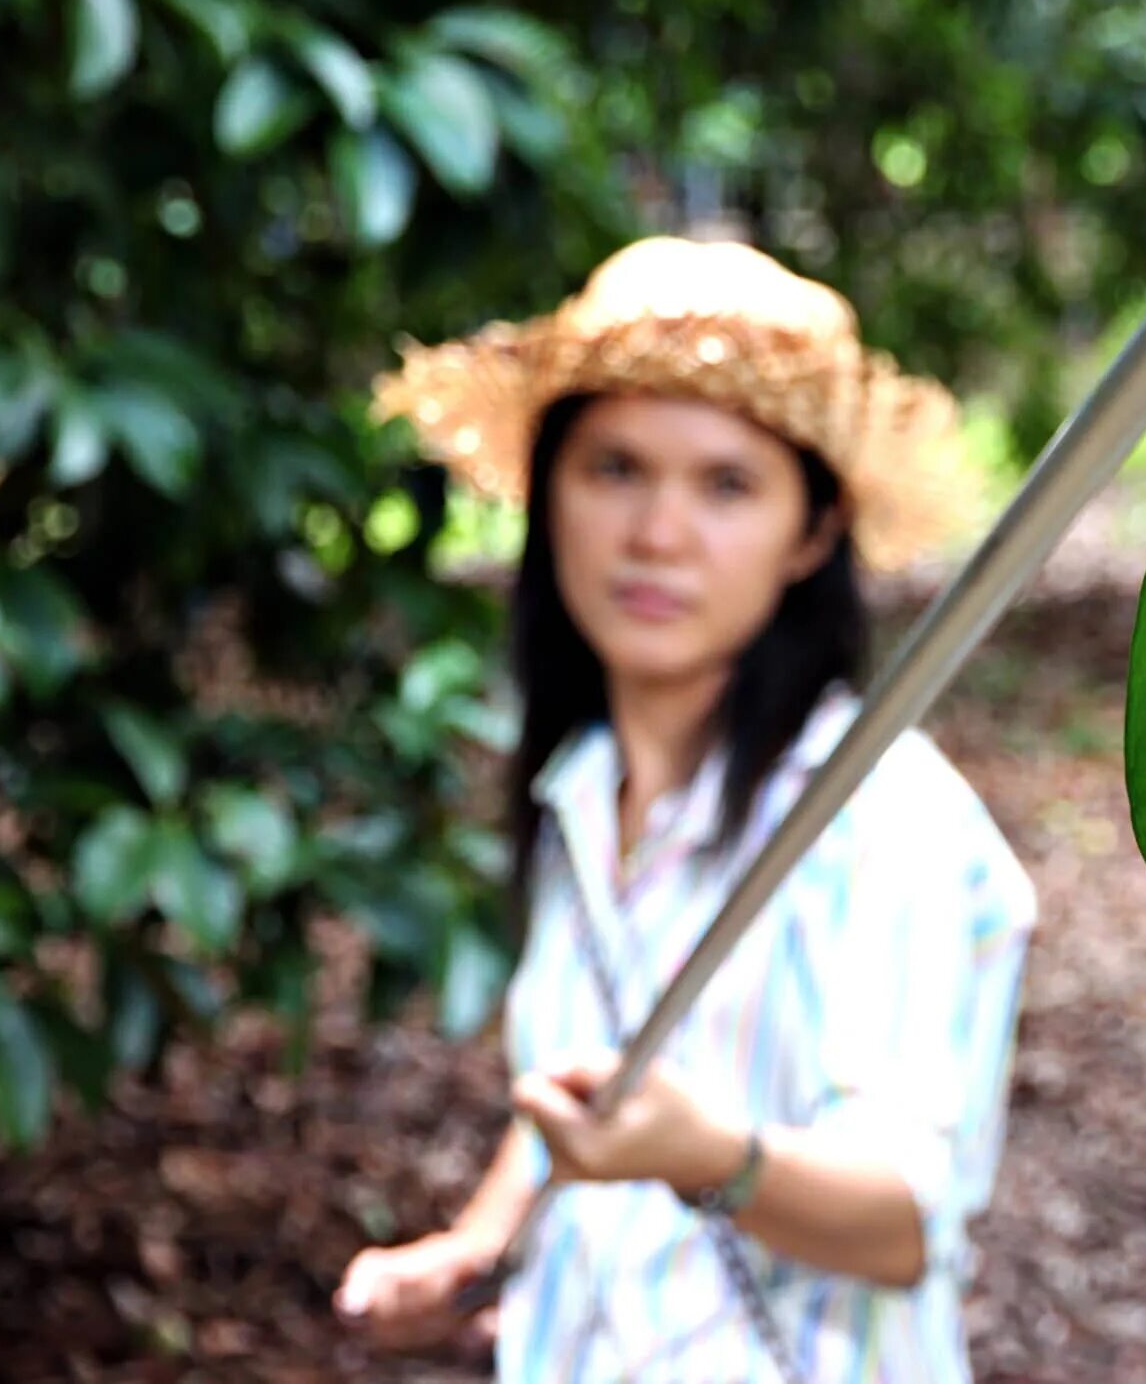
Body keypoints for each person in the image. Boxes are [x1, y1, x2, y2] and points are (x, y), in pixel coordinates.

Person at [331, 236, 1035, 1382]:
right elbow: (588, 1082)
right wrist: (476, 1245)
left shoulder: (883, 818)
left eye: (725, 484)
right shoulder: (580, 785)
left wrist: (713, 1158)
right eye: (613, 468)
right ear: (548, 491)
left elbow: (912, 1220)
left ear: (811, 533)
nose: (657, 534)